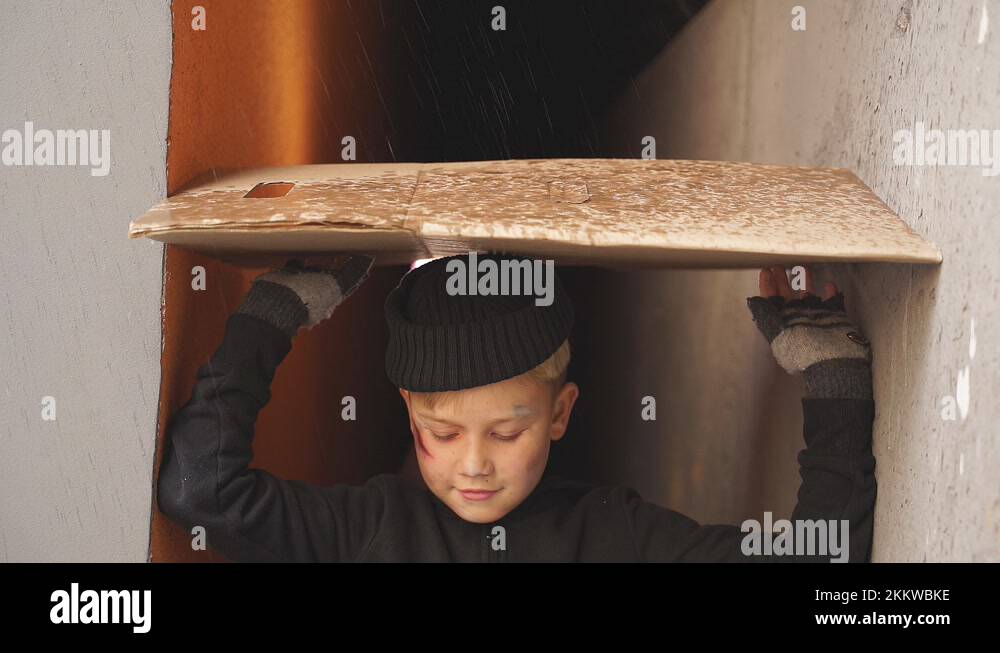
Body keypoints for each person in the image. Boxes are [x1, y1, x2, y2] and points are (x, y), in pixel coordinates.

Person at [157, 252, 876, 562]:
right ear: (410, 417)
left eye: (507, 430)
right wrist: (273, 314)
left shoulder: (609, 536)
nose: (474, 463)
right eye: (442, 431)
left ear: (561, 413)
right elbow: (201, 489)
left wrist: (829, 371)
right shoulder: (368, 531)